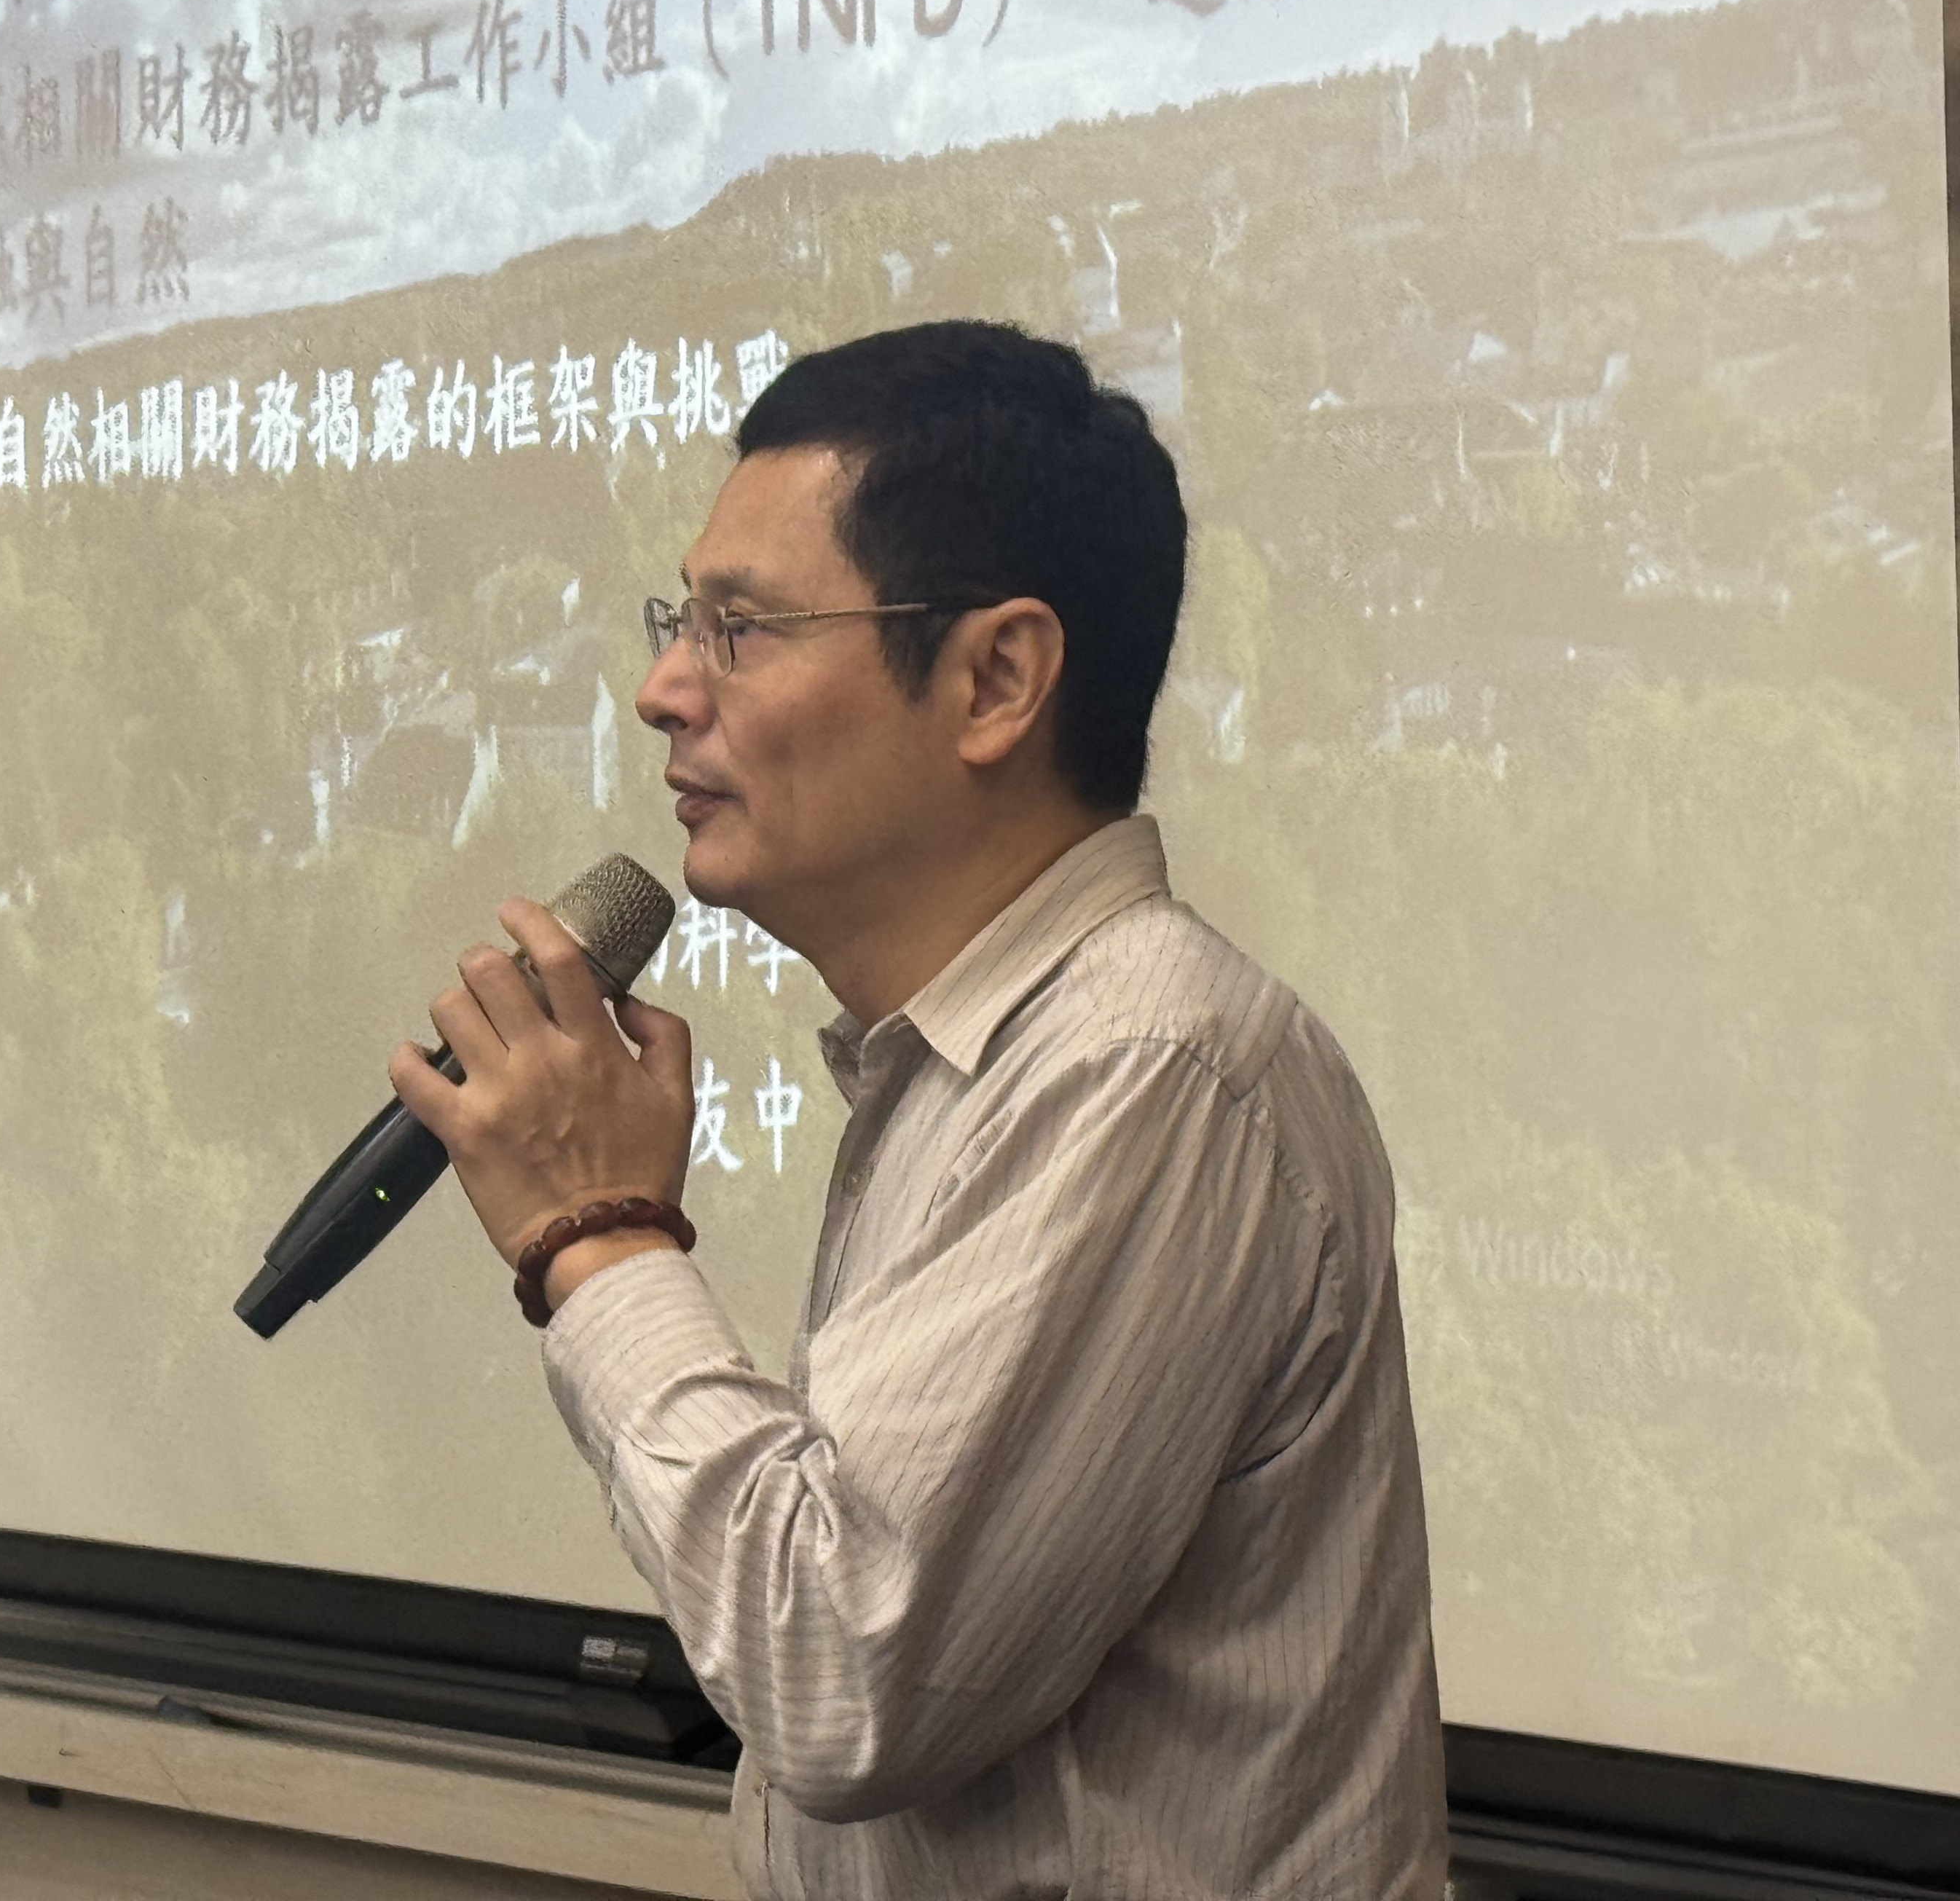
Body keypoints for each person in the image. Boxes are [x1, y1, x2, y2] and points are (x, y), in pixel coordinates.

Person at [390, 321, 1446, 1897]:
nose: (662, 690)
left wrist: (596, 1237)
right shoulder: (977, 1062)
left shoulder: (1147, 1068)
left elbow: (845, 1673)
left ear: (995, 680)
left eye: (742, 631)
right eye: (681, 622)